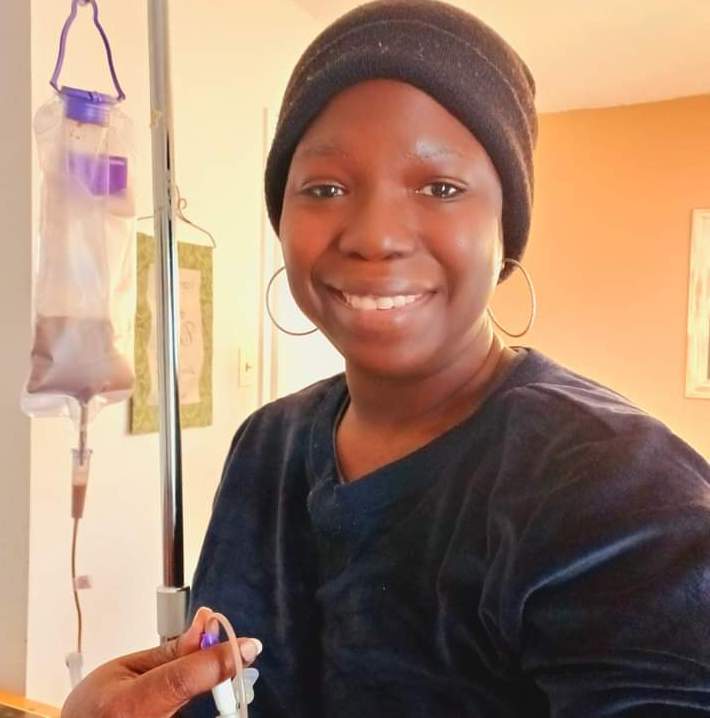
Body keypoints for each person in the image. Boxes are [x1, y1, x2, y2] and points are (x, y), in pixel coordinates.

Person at [62, 1, 710, 716]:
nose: (375, 236)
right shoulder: (266, 449)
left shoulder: (620, 490)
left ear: (507, 230)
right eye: (327, 188)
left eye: (440, 187)